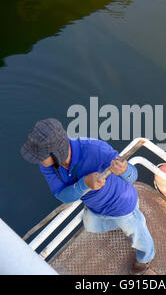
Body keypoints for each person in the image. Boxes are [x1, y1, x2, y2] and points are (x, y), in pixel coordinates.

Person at [20, 118, 155, 275]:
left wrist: (124, 170)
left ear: (57, 153)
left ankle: (146, 258)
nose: (38, 160)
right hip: (95, 207)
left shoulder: (96, 149)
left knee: (138, 233)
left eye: (40, 156)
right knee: (91, 226)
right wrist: (83, 184)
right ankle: (119, 225)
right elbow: (62, 196)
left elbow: (132, 177)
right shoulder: (48, 166)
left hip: (121, 204)